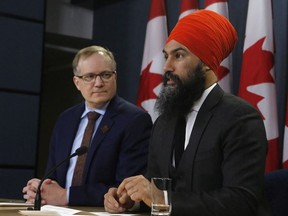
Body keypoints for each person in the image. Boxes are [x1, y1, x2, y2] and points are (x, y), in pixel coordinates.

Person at [104, 10, 269, 216]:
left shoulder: (240, 118)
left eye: (179, 55)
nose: (166, 66)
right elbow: (154, 188)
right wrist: (132, 199)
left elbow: (241, 201)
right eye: (166, 56)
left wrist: (159, 198)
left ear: (207, 63)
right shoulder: (164, 121)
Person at [22, 45, 152, 206]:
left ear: (115, 77)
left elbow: (126, 187)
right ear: (77, 82)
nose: (98, 83)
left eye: (105, 75)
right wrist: (41, 188)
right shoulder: (65, 120)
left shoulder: (135, 120)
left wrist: (67, 196)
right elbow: (53, 174)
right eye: (89, 76)